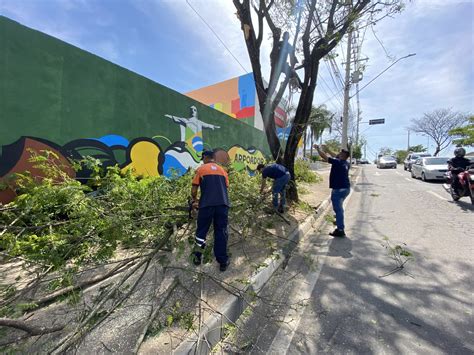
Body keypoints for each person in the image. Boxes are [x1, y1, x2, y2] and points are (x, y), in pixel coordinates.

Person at [191, 150, 230, 272]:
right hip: (222, 205)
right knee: (221, 231)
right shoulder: (223, 171)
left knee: (201, 231)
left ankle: (197, 257)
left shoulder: (201, 169)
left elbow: (194, 189)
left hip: (206, 205)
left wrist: (195, 200)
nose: (202, 160)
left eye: (202, 158)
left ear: (205, 157)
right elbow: (225, 188)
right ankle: (222, 261)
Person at [314, 144, 350, 237]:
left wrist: (318, 149)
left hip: (338, 190)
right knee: (339, 208)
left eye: (340, 153)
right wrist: (327, 149)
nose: (338, 154)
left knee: (338, 210)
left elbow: (325, 157)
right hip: (346, 189)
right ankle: (338, 220)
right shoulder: (346, 163)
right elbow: (335, 155)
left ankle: (340, 229)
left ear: (343, 156)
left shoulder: (338, 162)